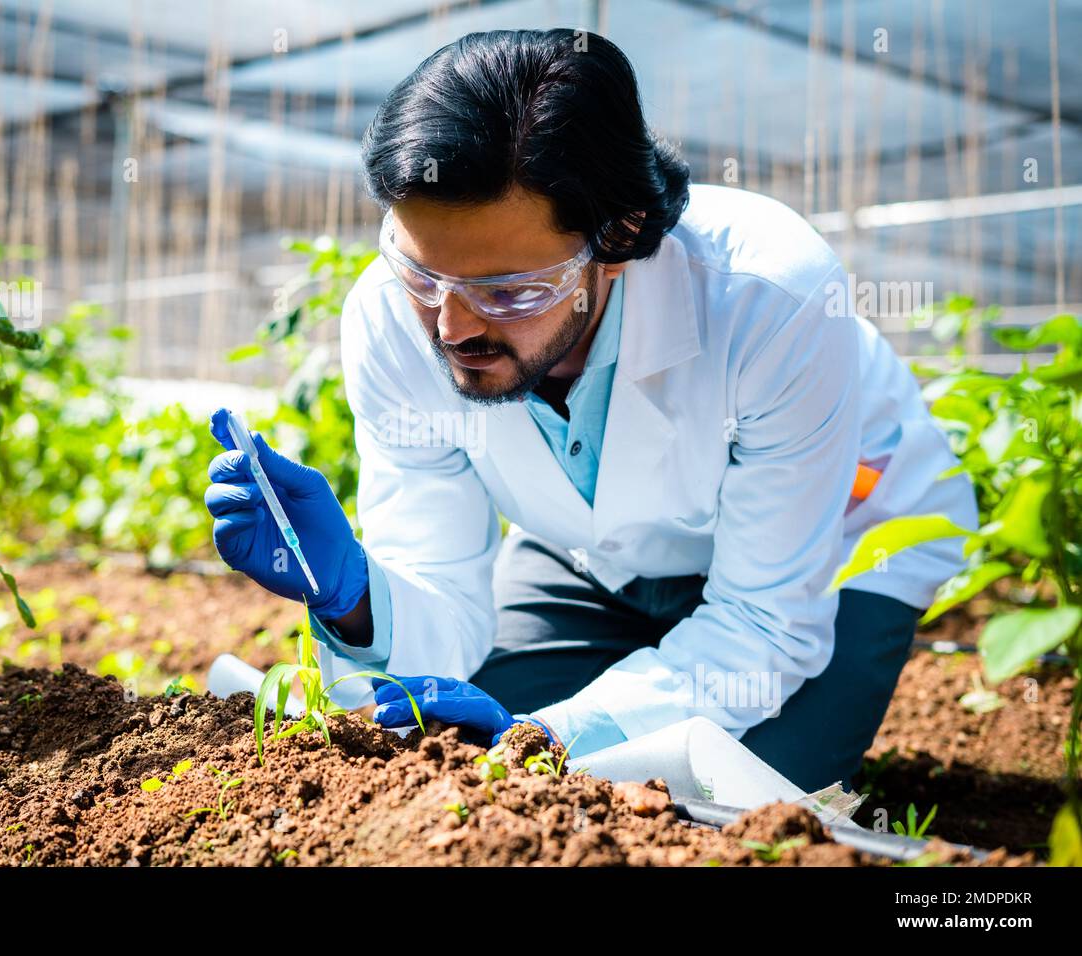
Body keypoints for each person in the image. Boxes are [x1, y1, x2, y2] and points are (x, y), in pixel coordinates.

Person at [204, 29, 976, 791]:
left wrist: (547, 736)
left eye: (509, 290)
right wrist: (356, 598)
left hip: (841, 540)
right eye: (421, 272)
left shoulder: (771, 299)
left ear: (618, 236)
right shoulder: (388, 317)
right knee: (448, 754)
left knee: (722, 796)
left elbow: (765, 625)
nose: (450, 327)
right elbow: (438, 580)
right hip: (595, 555)